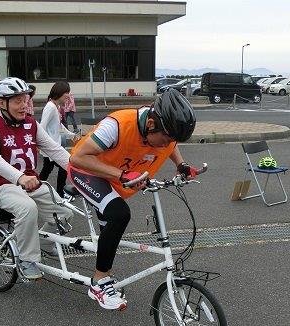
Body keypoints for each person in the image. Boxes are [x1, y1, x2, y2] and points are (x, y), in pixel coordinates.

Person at [69, 89, 198, 310]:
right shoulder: (117, 126)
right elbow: (78, 157)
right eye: (165, 139)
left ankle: (104, 259)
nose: (167, 144)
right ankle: (99, 283)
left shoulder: (163, 132)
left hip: (117, 175)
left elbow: (172, 145)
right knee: (120, 215)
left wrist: (181, 165)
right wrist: (121, 175)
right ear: (150, 124)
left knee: (111, 227)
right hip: (88, 172)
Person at [0, 77, 73, 280]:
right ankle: (27, 259)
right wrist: (20, 177)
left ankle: (46, 245)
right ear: (2, 103)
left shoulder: (31, 123)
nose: (24, 106)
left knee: (65, 212)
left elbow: (54, 149)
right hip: (1, 185)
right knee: (27, 208)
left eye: (26, 100)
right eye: (17, 101)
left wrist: (77, 170)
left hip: (31, 183)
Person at [39, 81, 78, 197]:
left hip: (52, 147)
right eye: (66, 93)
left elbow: (59, 125)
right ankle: (60, 193)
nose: (68, 96)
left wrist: (71, 135)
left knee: (47, 170)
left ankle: (37, 191)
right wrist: (44, 145)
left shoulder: (55, 106)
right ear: (59, 93)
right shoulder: (50, 107)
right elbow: (41, 127)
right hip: (51, 147)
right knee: (65, 167)